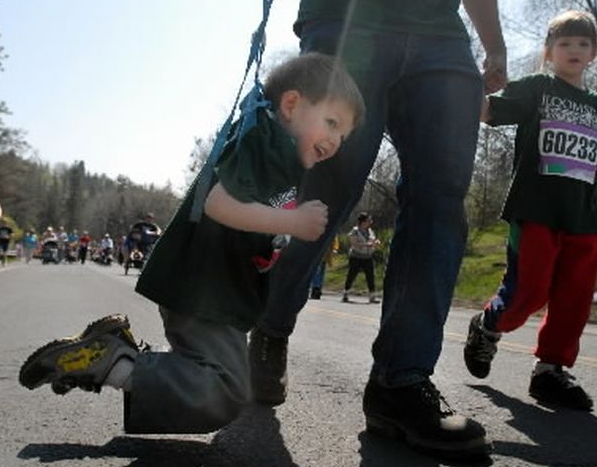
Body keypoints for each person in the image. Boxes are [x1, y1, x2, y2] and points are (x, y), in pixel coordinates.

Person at [249, 0, 506, 460]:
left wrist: (494, 45)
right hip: (346, 18)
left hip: (441, 36)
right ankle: (271, 326)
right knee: (328, 192)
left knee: (440, 198)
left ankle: (400, 380)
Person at [18, 52, 364, 435]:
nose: (335, 140)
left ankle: (118, 351)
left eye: (343, 135)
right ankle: (114, 362)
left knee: (219, 381)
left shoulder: (282, 157)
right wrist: (292, 221)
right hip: (205, 289)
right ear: (291, 104)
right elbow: (218, 203)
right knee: (227, 390)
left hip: (220, 293)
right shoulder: (260, 141)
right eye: (331, 123)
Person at [462, 10, 597, 412]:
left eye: (583, 44)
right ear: (549, 52)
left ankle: (550, 371)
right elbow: (488, 112)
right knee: (529, 292)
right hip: (535, 210)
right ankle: (488, 326)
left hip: (583, 220)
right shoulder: (538, 88)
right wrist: (473, 88)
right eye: (565, 43)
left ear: (594, 54)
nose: (574, 50)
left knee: (575, 298)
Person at [342, 212, 380, 303]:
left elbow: (373, 240)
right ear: (363, 222)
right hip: (356, 257)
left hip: (368, 257)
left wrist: (376, 242)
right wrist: (367, 244)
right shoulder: (355, 231)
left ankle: (372, 296)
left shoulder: (370, 231)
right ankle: (346, 294)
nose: (370, 222)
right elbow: (354, 243)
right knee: (352, 275)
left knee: (370, 276)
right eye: (368, 220)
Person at [309, 234, 339, 300]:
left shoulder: (331, 229)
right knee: (317, 271)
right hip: (316, 253)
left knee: (321, 272)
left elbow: (335, 240)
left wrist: (335, 249)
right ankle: (316, 289)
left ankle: (318, 289)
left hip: (326, 254)